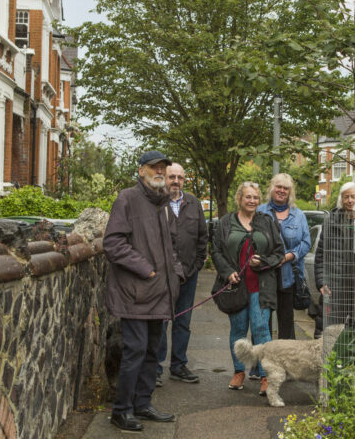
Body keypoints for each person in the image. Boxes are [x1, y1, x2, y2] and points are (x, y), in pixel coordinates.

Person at [103, 150, 184, 432]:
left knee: (152, 351)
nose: (160, 171)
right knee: (134, 351)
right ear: (141, 171)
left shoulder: (163, 204)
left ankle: (142, 404)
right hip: (134, 293)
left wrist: (175, 273)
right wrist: (146, 269)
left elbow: (171, 246)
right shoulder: (127, 198)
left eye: (163, 167)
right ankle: (121, 410)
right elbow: (113, 243)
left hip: (160, 293)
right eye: (154, 167)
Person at [212, 181, 285, 396]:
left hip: (261, 286)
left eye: (255, 197)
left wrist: (262, 262)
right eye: (248, 197)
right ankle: (238, 371)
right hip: (236, 286)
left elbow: (279, 253)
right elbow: (216, 251)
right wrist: (227, 272)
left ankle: (265, 375)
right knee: (238, 330)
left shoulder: (267, 222)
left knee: (262, 330)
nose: (252, 201)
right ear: (239, 199)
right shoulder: (226, 222)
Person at [155, 163, 208, 385]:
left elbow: (202, 237)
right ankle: (155, 369)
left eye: (180, 178)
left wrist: (196, 265)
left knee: (183, 321)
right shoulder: (156, 202)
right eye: (171, 177)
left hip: (188, 273)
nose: (176, 181)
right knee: (160, 322)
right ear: (164, 178)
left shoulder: (194, 203)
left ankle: (178, 366)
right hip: (163, 275)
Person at [257, 173, 311, 340]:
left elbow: (306, 243)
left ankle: (287, 363)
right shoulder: (259, 212)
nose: (281, 190)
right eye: (278, 187)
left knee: (286, 324)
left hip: (288, 277)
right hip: (264, 275)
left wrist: (288, 256)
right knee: (261, 323)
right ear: (272, 188)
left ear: (290, 192)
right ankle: (260, 364)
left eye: (285, 188)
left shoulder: (299, 215)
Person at [314, 181, 355, 331]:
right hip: (333, 285)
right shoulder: (330, 221)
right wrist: (321, 282)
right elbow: (320, 255)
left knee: (354, 330)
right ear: (341, 199)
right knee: (328, 329)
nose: (350, 200)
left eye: (353, 196)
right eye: (346, 197)